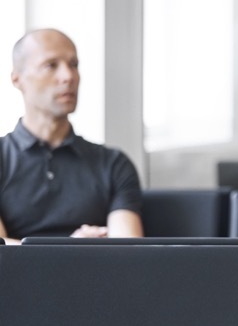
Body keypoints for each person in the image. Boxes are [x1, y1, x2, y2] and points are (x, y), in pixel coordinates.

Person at [0, 29, 143, 244]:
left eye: (74, 65)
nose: (68, 76)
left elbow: (129, 250)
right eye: (51, 65)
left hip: (94, 277)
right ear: (17, 79)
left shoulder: (113, 163)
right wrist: (70, 249)